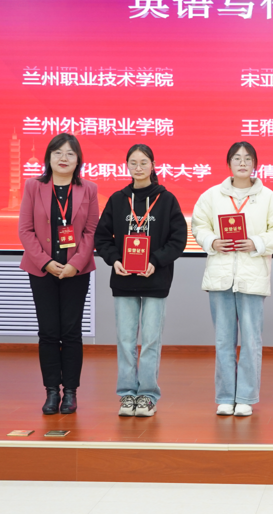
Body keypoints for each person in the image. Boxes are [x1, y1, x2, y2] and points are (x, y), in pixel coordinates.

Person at [192, 142, 273, 417]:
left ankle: (246, 396)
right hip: (220, 277)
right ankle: (225, 397)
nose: (243, 163)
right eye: (237, 158)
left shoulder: (269, 197)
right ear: (229, 164)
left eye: (248, 158)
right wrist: (213, 241)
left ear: (255, 164)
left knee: (250, 341)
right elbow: (199, 225)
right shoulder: (212, 195)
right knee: (223, 340)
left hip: (252, 277)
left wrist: (256, 242)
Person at [94, 144, 187, 417]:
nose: (138, 167)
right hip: (123, 280)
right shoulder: (117, 199)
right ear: (127, 166)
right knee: (125, 340)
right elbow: (102, 237)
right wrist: (115, 260)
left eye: (143, 162)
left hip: (155, 280)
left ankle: (147, 395)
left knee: (150, 341)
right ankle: (126, 394)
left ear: (153, 165)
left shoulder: (167, 200)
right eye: (133, 162)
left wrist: (155, 261)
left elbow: (178, 239)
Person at [19, 133, 98, 415]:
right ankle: (52, 391)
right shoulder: (33, 186)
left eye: (70, 154)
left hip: (76, 271)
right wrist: (46, 262)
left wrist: (75, 263)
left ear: (78, 160)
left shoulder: (89, 189)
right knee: (49, 332)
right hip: (42, 271)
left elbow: (91, 231)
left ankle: (71, 393)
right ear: (48, 157)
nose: (63, 158)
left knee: (71, 332)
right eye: (58, 153)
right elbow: (25, 230)